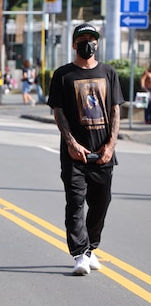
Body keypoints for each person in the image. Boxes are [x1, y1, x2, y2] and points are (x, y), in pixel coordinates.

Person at [47, 23, 124, 276]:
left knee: (101, 203)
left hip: (103, 153)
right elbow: (58, 111)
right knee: (76, 203)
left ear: (97, 43)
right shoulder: (62, 75)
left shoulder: (108, 72)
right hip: (74, 155)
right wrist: (71, 143)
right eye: (82, 39)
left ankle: (91, 247)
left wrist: (111, 146)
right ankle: (79, 253)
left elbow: (114, 109)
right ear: (74, 44)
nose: (87, 43)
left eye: (91, 39)